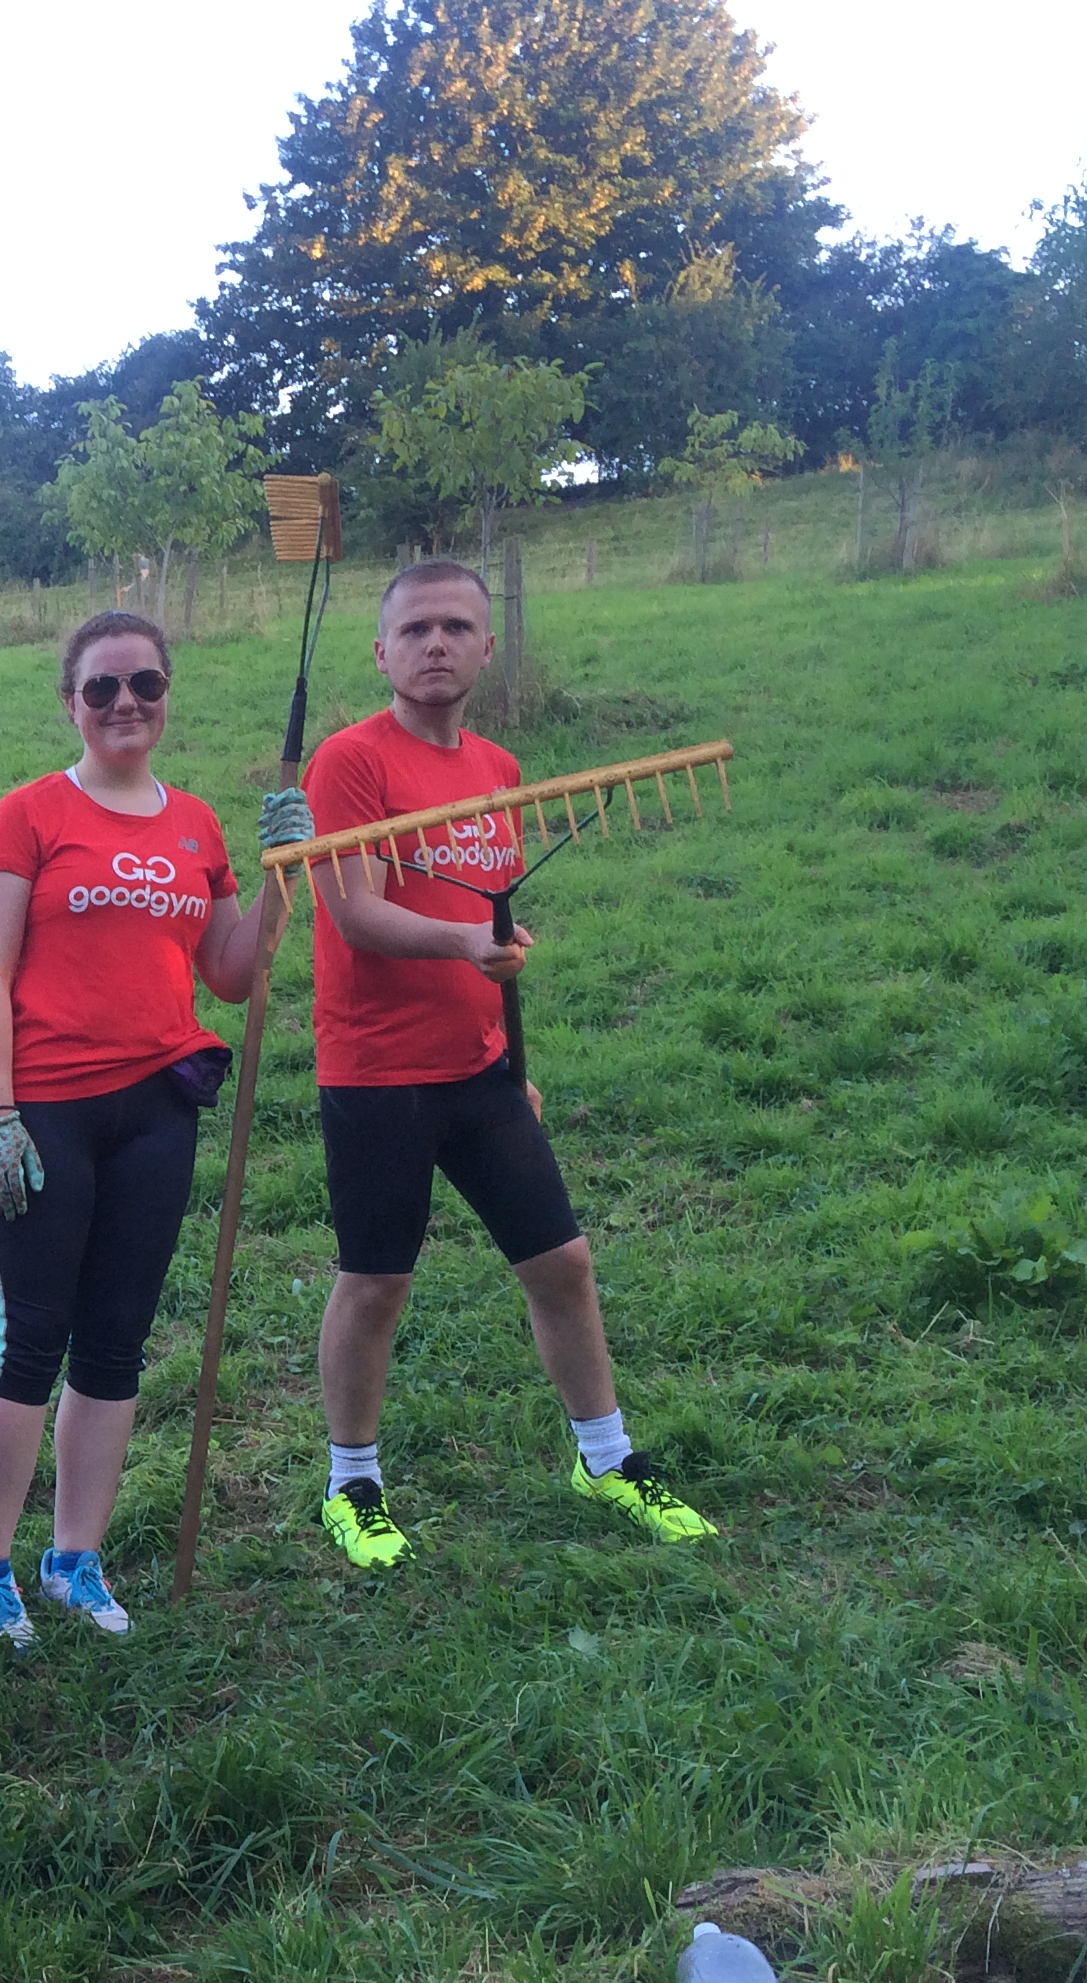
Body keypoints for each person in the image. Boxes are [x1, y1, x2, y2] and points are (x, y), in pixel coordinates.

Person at [297, 559, 716, 1568]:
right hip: (377, 1073)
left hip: (479, 1067)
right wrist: (463, 951)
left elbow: (489, 911)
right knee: (375, 1282)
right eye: (415, 630)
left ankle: (605, 1458)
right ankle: (352, 1484)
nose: (435, 644)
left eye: (456, 627)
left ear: (488, 646)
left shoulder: (497, 767)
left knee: (561, 1262)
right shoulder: (350, 762)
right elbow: (351, 909)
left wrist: (508, 1042)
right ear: (381, 651)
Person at [0, 611, 289, 1642]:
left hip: (157, 1108)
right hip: (44, 1111)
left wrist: (287, 874)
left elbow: (232, 977)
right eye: (101, 688)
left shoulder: (194, 823)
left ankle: (75, 1558)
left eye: (143, 684)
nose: (124, 704)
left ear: (166, 693)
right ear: (71, 702)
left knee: (116, 1343)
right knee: (27, 1342)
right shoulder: (29, 814)